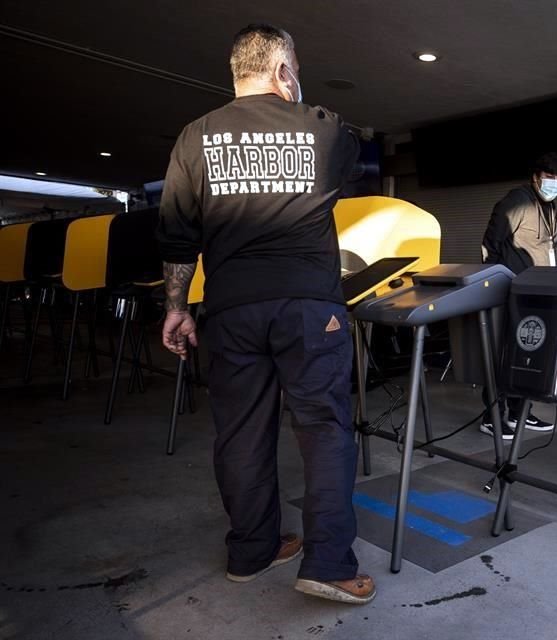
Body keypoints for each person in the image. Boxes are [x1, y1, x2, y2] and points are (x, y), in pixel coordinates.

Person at [156, 24, 375, 604]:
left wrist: (176, 309)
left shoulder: (195, 136)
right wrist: (297, 107)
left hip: (229, 310)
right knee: (323, 430)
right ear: (284, 72)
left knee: (240, 432)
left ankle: (251, 552)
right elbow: (350, 154)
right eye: (294, 68)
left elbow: (178, 239)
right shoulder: (321, 129)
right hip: (309, 307)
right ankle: (327, 564)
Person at [478, 152, 557, 439]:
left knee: (527, 355)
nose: (555, 183)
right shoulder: (517, 201)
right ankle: (491, 416)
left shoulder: (549, 207)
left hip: (538, 294)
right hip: (511, 293)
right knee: (504, 355)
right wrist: (493, 286)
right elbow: (490, 245)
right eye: (550, 177)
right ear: (535, 177)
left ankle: (519, 413)